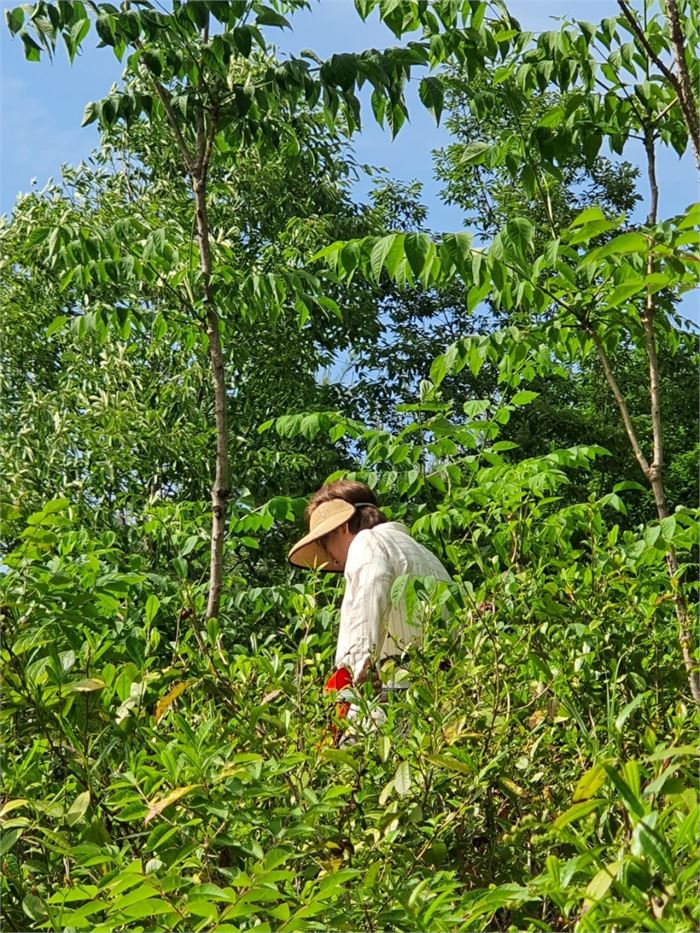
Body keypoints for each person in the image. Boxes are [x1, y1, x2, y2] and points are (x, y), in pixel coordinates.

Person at [288, 480, 451, 732]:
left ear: (342, 526)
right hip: (441, 702)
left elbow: (367, 610)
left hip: (391, 703)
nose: (331, 559)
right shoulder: (424, 555)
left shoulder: (367, 543)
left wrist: (352, 687)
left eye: (326, 545)